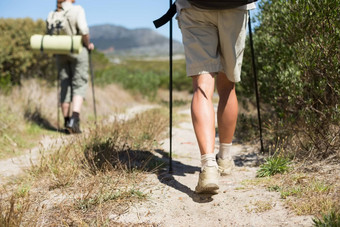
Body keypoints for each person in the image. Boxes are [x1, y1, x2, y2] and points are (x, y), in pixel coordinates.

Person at [175, 0, 256, 193]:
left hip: (194, 7)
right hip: (235, 7)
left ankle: (209, 166)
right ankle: (225, 159)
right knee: (227, 85)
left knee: (202, 85)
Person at [47, 0, 94, 134]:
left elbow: (49, 36)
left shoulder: (52, 14)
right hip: (77, 50)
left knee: (65, 84)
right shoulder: (77, 9)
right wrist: (88, 45)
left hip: (60, 53)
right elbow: (84, 30)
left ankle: (67, 122)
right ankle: (74, 119)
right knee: (79, 84)